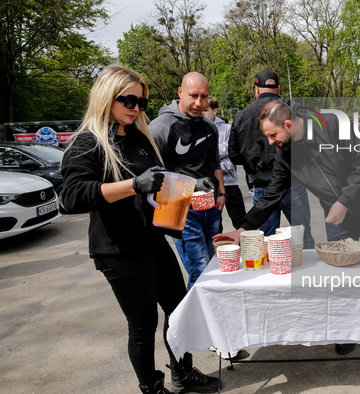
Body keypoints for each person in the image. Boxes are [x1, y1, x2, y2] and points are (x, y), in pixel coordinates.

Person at [60, 65, 218, 393]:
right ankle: (152, 388)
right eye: (128, 101)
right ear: (107, 96)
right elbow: (72, 196)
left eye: (141, 103)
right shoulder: (88, 142)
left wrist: (192, 184)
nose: (135, 109)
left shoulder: (138, 138)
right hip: (118, 250)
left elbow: (159, 179)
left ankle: (183, 373)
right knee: (144, 325)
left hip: (153, 240)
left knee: (178, 312)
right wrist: (132, 184)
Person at [215, 101, 360, 353]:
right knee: (339, 275)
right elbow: (273, 193)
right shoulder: (285, 152)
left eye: (272, 135)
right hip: (337, 217)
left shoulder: (334, 123)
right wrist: (243, 229)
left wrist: (344, 200)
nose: (270, 142)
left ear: (288, 125)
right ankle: (346, 330)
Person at [149, 72, 226, 291]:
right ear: (180, 93)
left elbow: (215, 163)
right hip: (181, 211)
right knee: (200, 271)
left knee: (215, 267)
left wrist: (222, 193)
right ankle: (193, 322)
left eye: (204, 97)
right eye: (193, 96)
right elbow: (151, 174)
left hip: (210, 208)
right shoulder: (160, 127)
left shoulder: (209, 127)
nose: (198, 103)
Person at [229, 69, 314, 248]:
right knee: (303, 238)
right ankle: (308, 273)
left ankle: (274, 273)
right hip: (293, 183)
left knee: (267, 243)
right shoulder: (293, 107)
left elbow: (234, 155)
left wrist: (254, 162)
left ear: (256, 89)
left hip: (260, 185)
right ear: (279, 88)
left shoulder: (241, 116)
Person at [203, 96, 246, 232]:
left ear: (215, 111)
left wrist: (209, 150)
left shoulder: (227, 128)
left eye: (206, 110)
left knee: (240, 221)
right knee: (215, 224)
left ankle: (247, 250)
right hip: (210, 185)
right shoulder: (199, 128)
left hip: (230, 183)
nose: (202, 113)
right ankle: (218, 251)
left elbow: (231, 151)